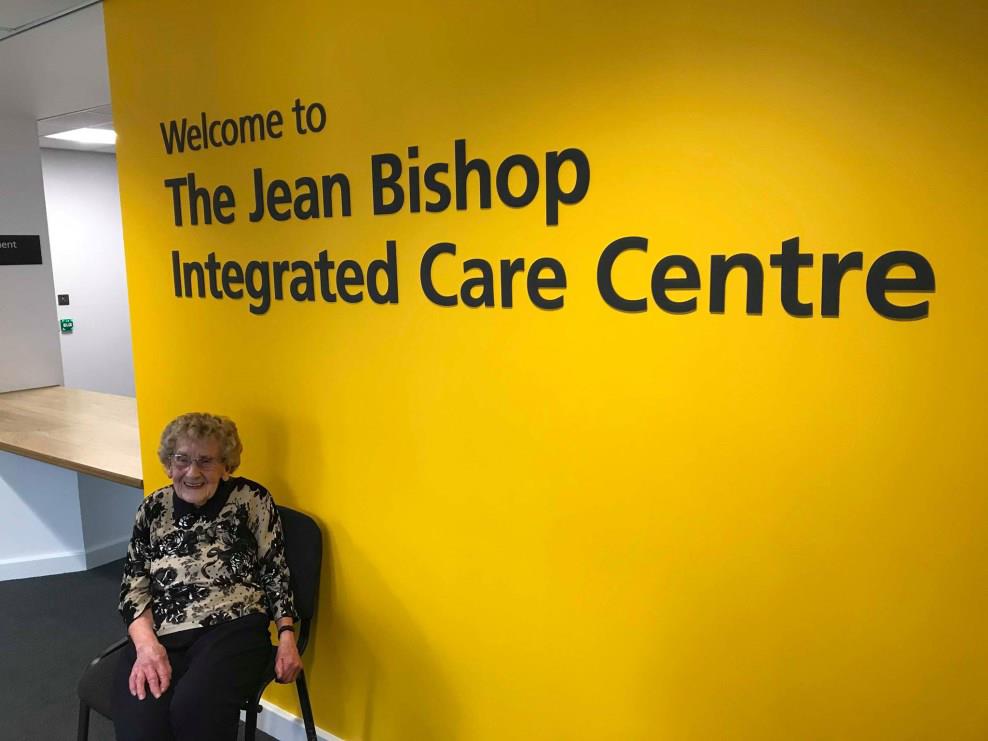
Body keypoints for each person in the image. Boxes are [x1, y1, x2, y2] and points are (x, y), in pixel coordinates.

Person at [113, 412, 302, 741]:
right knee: (143, 719)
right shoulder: (153, 509)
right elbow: (133, 585)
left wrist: (286, 634)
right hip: (162, 633)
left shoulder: (252, 500)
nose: (193, 472)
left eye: (206, 461)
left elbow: (276, 571)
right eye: (182, 459)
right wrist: (146, 646)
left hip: (234, 627)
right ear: (169, 464)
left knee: (195, 708)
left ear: (226, 465)